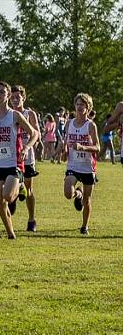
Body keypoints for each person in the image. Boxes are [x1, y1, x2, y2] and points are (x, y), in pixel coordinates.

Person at [0, 81, 39, 240]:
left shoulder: (15, 115)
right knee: (1, 200)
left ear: (8, 95)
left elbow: (34, 134)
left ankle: (20, 186)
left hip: (13, 162)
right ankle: (11, 233)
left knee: (8, 196)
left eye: (2, 91)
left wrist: (26, 148)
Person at [64, 93, 100, 235]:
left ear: (88, 107)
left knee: (87, 199)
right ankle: (77, 194)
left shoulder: (91, 125)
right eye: (78, 104)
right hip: (73, 165)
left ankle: (85, 226)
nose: (79, 107)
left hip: (88, 167)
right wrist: (62, 150)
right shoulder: (69, 123)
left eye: (82, 105)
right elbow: (67, 141)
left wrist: (83, 147)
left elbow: (97, 147)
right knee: (68, 193)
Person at [10, 85, 42, 232]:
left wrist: (28, 146)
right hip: (10, 156)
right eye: (13, 97)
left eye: (18, 96)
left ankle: (31, 219)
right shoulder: (7, 114)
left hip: (26, 156)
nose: (15, 99)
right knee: (12, 184)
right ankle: (15, 193)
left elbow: (37, 134)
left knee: (29, 190)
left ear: (24, 98)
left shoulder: (30, 114)